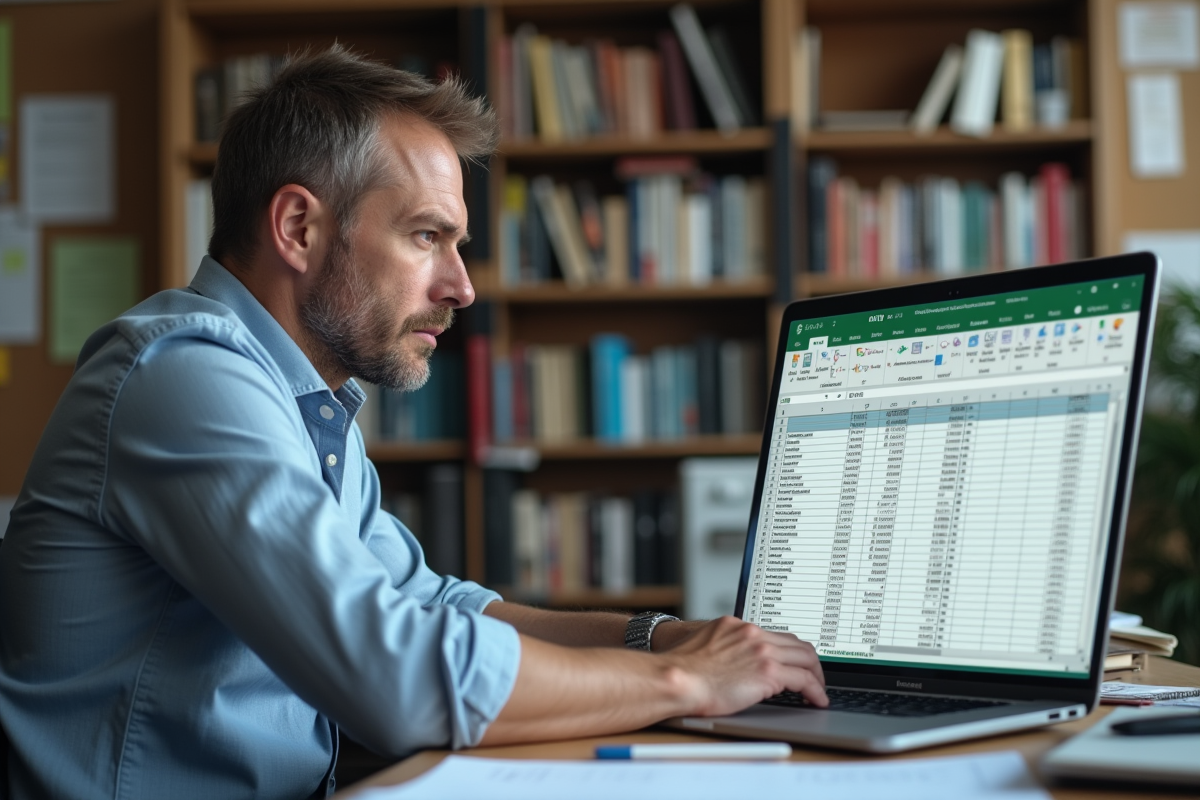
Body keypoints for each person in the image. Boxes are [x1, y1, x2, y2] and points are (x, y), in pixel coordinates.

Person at [0, 47, 826, 800]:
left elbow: (429, 602)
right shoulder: (182, 377)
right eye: (426, 236)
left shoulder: (304, 403)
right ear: (298, 227)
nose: (462, 287)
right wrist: (690, 685)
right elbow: (394, 674)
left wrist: (660, 638)